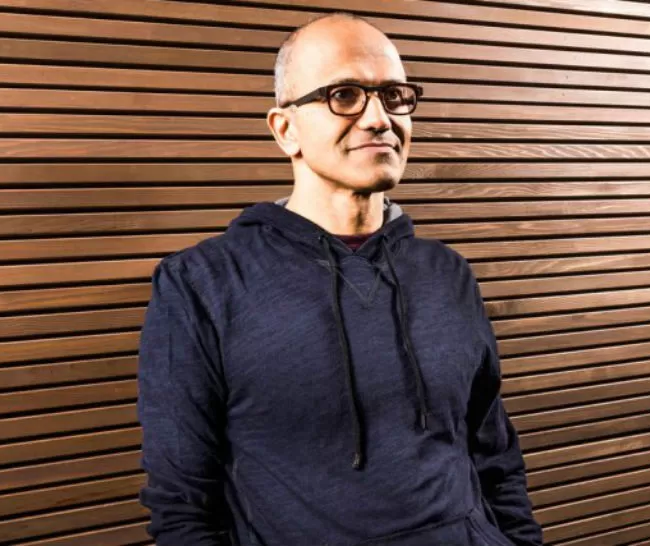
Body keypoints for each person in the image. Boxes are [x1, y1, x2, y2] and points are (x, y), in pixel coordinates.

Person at [137, 11, 543, 546]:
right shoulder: (200, 284)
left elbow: (495, 458)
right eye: (344, 95)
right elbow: (183, 506)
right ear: (285, 130)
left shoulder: (447, 273)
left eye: (393, 96)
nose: (379, 118)